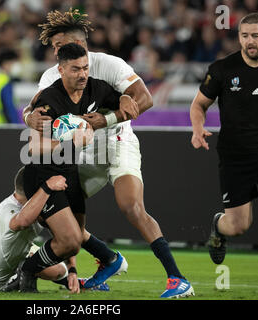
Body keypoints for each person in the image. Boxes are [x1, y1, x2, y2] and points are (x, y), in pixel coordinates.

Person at [22, 8, 194, 298]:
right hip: (84, 151)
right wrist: (29, 118)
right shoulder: (52, 75)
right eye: (54, 49)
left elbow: (145, 99)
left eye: (60, 46)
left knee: (131, 206)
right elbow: (34, 108)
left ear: (80, 45)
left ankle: (177, 279)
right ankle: (103, 262)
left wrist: (107, 119)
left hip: (118, 142)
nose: (56, 53)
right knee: (61, 212)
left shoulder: (109, 65)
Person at [190, 13, 258, 291]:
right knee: (239, 226)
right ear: (239, 37)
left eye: (256, 36)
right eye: (245, 36)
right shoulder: (223, 69)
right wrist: (197, 128)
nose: (250, 42)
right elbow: (198, 105)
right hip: (235, 156)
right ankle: (219, 225)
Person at [18, 43, 128, 293]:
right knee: (70, 239)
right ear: (61, 70)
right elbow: (34, 148)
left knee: (75, 237)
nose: (82, 74)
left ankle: (77, 271)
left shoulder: (95, 89)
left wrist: (126, 98)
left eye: (85, 68)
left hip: (70, 174)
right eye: (75, 69)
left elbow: (122, 99)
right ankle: (27, 269)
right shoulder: (49, 100)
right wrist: (69, 139)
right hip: (44, 176)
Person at [0, 167, 109, 293]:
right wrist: (47, 187)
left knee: (59, 271)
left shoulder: (36, 203)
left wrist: (72, 269)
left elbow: (65, 234)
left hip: (17, 250)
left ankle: (74, 281)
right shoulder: (10, 212)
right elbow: (21, 222)